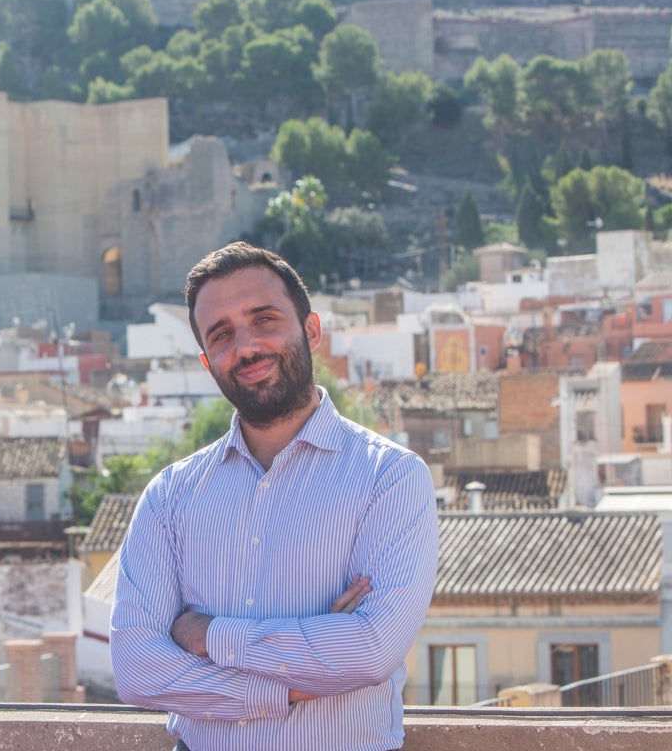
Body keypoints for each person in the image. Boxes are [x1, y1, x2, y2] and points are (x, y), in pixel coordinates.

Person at [111, 242, 439, 751]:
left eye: (264, 319)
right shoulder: (169, 497)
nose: (246, 347)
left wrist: (208, 636)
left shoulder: (390, 478)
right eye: (222, 335)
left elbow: (372, 651)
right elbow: (137, 669)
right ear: (206, 361)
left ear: (311, 330)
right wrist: (295, 679)